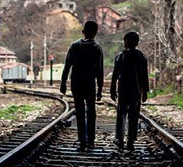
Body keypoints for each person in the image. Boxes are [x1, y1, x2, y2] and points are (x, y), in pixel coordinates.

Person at [60, 20, 104, 150]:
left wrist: (63, 83)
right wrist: (100, 89)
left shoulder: (74, 46)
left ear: (83, 32)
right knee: (91, 111)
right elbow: (99, 71)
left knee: (79, 111)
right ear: (95, 33)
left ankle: (82, 141)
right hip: (90, 84)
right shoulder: (97, 49)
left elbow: (67, 66)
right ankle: (90, 141)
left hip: (76, 83)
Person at [110, 30, 149, 152]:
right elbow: (144, 77)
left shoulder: (120, 57)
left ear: (125, 42)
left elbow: (115, 75)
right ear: (137, 42)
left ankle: (120, 139)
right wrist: (145, 92)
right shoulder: (141, 57)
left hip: (123, 90)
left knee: (121, 115)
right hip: (136, 91)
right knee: (133, 116)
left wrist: (112, 89)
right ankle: (130, 142)